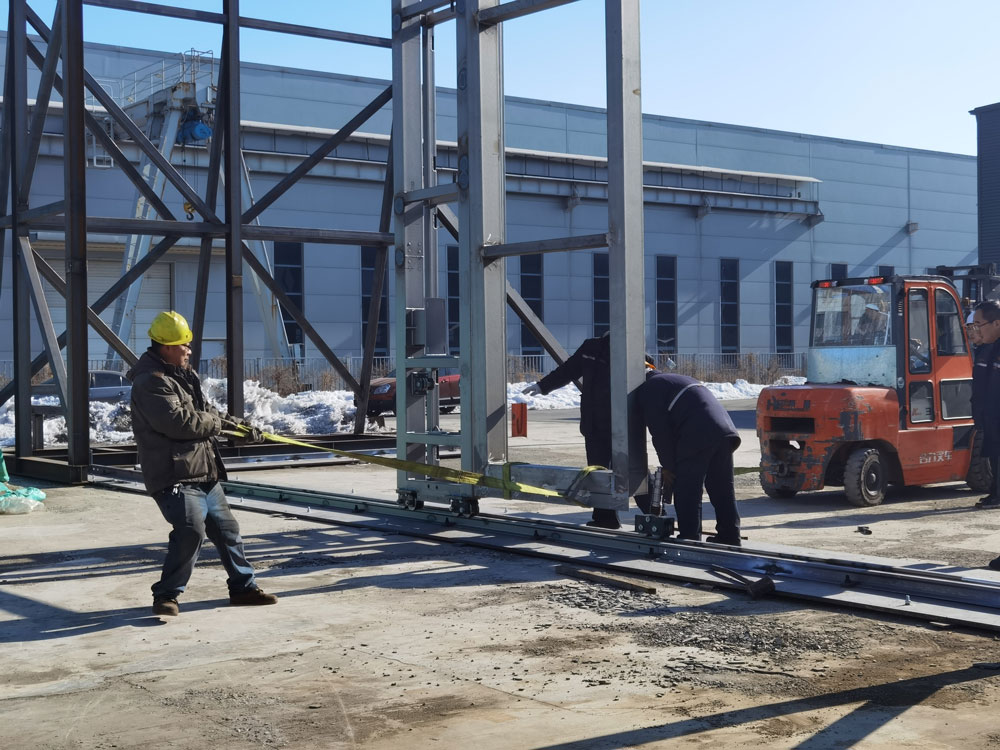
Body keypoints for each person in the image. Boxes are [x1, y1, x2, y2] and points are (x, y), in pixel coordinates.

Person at [127, 310, 278, 616]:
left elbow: (209, 413)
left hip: (201, 471)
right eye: (184, 345)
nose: (188, 350)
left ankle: (243, 588)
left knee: (227, 530)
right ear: (166, 347)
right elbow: (179, 423)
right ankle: (166, 595)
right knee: (191, 530)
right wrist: (217, 424)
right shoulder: (150, 382)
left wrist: (241, 428)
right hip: (174, 475)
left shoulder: (185, 376)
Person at [523, 332, 639, 529]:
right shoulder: (592, 348)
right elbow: (568, 371)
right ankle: (605, 517)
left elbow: (646, 378)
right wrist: (542, 386)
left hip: (620, 424)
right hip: (596, 425)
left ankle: (652, 512)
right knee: (599, 470)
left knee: (630, 469)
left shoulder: (632, 353)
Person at [636, 371, 742, 545]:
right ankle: (730, 535)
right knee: (722, 487)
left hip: (698, 431)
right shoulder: (675, 380)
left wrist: (669, 467)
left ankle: (689, 538)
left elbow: (660, 433)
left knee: (687, 488)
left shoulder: (649, 389)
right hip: (725, 429)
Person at [968, 300, 1000, 510]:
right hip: (991, 413)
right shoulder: (988, 348)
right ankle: (996, 493)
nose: (976, 330)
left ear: (997, 323)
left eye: (979, 324)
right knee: (995, 452)